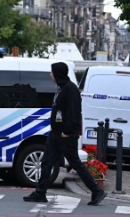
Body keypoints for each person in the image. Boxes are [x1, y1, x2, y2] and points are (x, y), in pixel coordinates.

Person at [23, 61, 107, 206]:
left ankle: (96, 190)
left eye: (52, 72)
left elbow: (74, 112)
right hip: (56, 134)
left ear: (58, 73)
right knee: (46, 162)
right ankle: (40, 192)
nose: (50, 75)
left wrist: (67, 132)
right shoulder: (61, 88)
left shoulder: (70, 89)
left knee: (76, 164)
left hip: (65, 135)